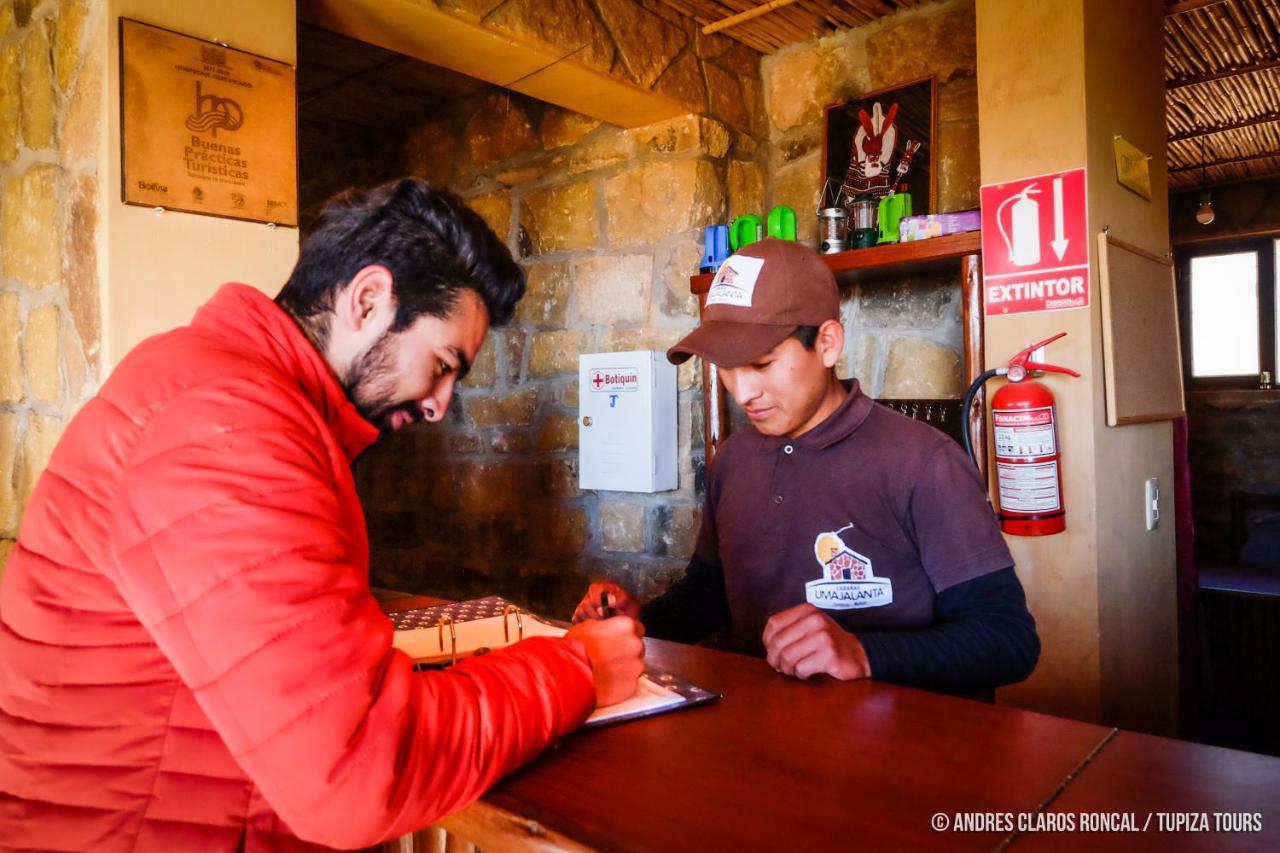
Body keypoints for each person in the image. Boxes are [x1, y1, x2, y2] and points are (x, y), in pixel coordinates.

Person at [0, 180, 645, 852]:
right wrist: (574, 671)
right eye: (443, 364)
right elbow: (357, 772)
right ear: (367, 299)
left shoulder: (218, 386)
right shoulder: (231, 422)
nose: (440, 405)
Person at [574, 238, 1039, 696]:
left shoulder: (923, 463)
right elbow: (712, 592)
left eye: (761, 363)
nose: (742, 393)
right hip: (763, 741)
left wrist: (864, 653)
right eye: (726, 369)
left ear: (828, 343)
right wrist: (639, 624)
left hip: (902, 755)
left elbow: (1008, 640)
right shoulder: (733, 459)